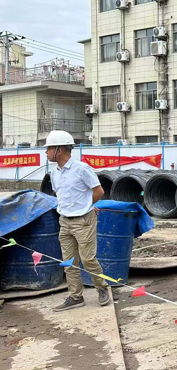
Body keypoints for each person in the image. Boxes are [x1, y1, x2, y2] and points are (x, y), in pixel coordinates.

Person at [46, 130, 111, 312]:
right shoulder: (54, 173)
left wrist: (87, 206)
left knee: (88, 259)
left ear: (59, 150)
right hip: (64, 221)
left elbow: (98, 191)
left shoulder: (81, 169)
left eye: (49, 148)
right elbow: (61, 195)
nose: (46, 153)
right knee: (69, 262)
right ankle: (76, 297)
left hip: (83, 221)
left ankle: (102, 287)